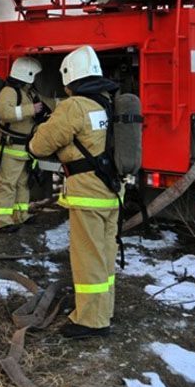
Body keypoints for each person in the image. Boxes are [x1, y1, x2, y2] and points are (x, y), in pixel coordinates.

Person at [28, 45, 120, 339]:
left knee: (87, 257)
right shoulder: (106, 103)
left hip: (87, 194)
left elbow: (40, 145)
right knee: (105, 255)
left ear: (70, 77)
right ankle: (102, 310)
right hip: (111, 192)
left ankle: (91, 321)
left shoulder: (74, 107)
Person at [0, 56, 44, 232]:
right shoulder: (9, 92)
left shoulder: (26, 91)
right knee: (6, 184)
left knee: (22, 183)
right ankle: (3, 221)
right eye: (34, 75)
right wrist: (31, 109)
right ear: (27, 74)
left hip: (22, 149)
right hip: (10, 148)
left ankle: (20, 216)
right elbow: (4, 112)